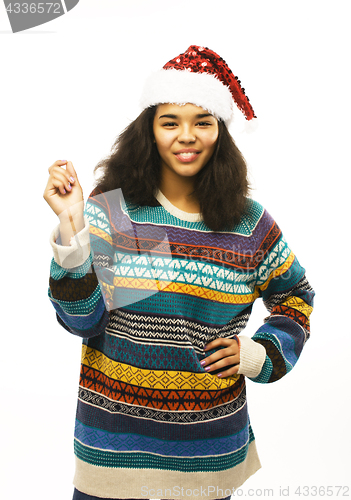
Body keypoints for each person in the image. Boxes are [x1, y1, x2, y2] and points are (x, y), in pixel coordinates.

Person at [44, 46, 315, 500]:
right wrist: (73, 224)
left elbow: (296, 296)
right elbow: (83, 321)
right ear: (149, 131)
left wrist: (260, 354)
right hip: (111, 453)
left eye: (202, 122)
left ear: (220, 133)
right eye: (170, 122)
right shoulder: (117, 212)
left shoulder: (247, 224)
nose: (186, 136)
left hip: (205, 457)